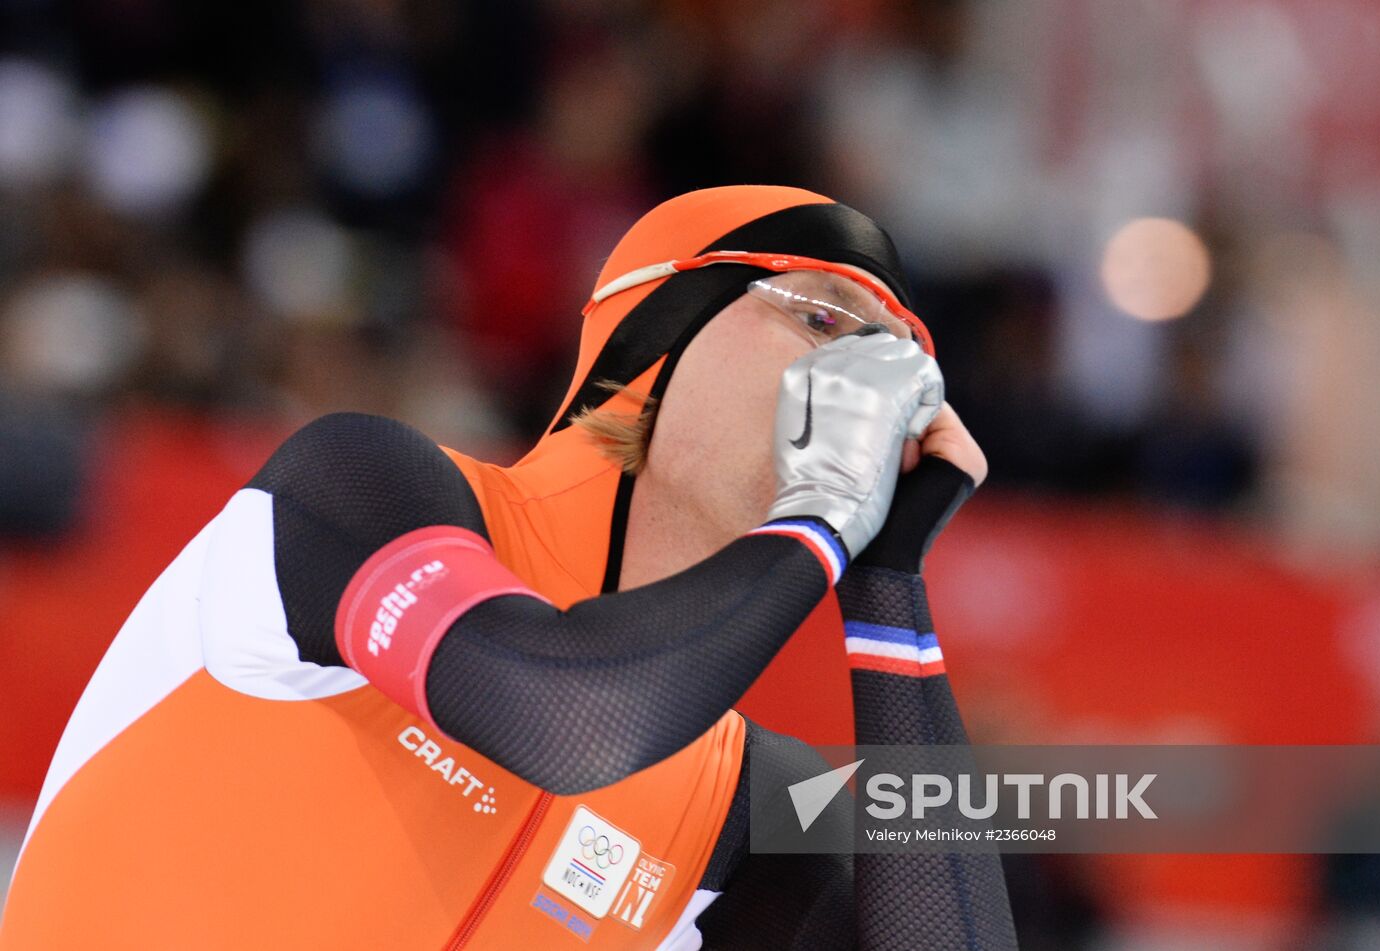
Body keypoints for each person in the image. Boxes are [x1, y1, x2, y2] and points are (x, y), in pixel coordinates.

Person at [0, 186, 1016, 949]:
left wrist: (887, 586)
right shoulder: (361, 491)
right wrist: (824, 515)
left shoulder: (736, 798)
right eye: (825, 319)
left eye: (904, 368)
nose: (870, 393)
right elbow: (557, 710)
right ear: (654, 335)